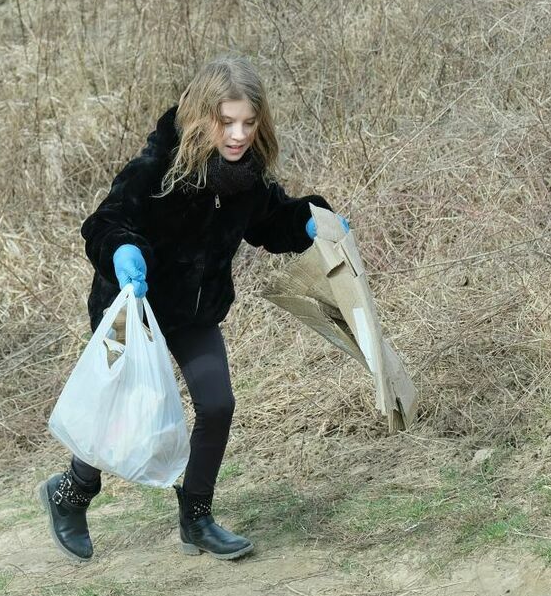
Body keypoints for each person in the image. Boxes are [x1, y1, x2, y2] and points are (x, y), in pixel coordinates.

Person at [39, 55, 344, 563]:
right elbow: (107, 219)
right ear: (203, 115)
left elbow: (270, 222)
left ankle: (196, 517)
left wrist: (310, 220)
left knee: (218, 405)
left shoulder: (245, 174)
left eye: (248, 122)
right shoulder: (159, 166)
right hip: (133, 307)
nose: (239, 134)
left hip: (196, 313)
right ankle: (70, 494)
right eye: (227, 122)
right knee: (117, 415)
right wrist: (122, 250)